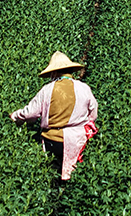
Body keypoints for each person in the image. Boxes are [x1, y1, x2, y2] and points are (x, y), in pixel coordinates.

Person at [10, 52, 98, 181]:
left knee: (53, 174)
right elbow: (93, 113)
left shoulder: (47, 90)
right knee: (77, 175)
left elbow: (31, 113)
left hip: (53, 140)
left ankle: (54, 191)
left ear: (53, 73)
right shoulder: (83, 88)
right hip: (77, 140)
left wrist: (15, 116)